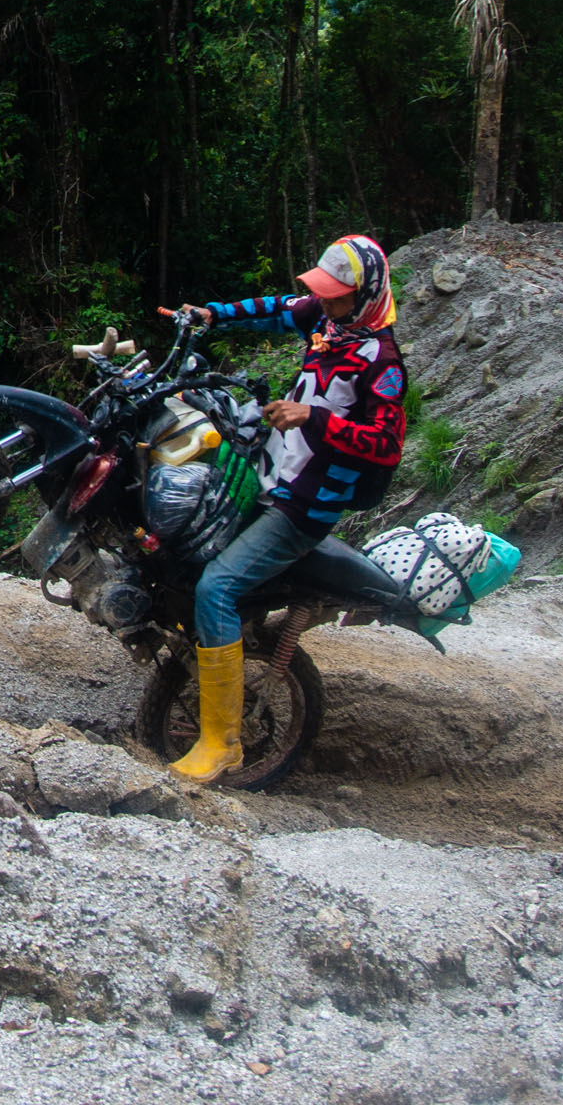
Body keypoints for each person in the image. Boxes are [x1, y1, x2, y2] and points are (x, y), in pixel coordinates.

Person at [164, 234, 407, 784]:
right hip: (271, 476)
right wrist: (212, 315)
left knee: (217, 588)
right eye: (322, 291)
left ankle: (221, 742)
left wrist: (312, 419)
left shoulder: (381, 361)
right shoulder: (327, 322)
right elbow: (276, 310)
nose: (325, 300)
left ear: (367, 292)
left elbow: (386, 445)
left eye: (337, 293)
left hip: (306, 506)